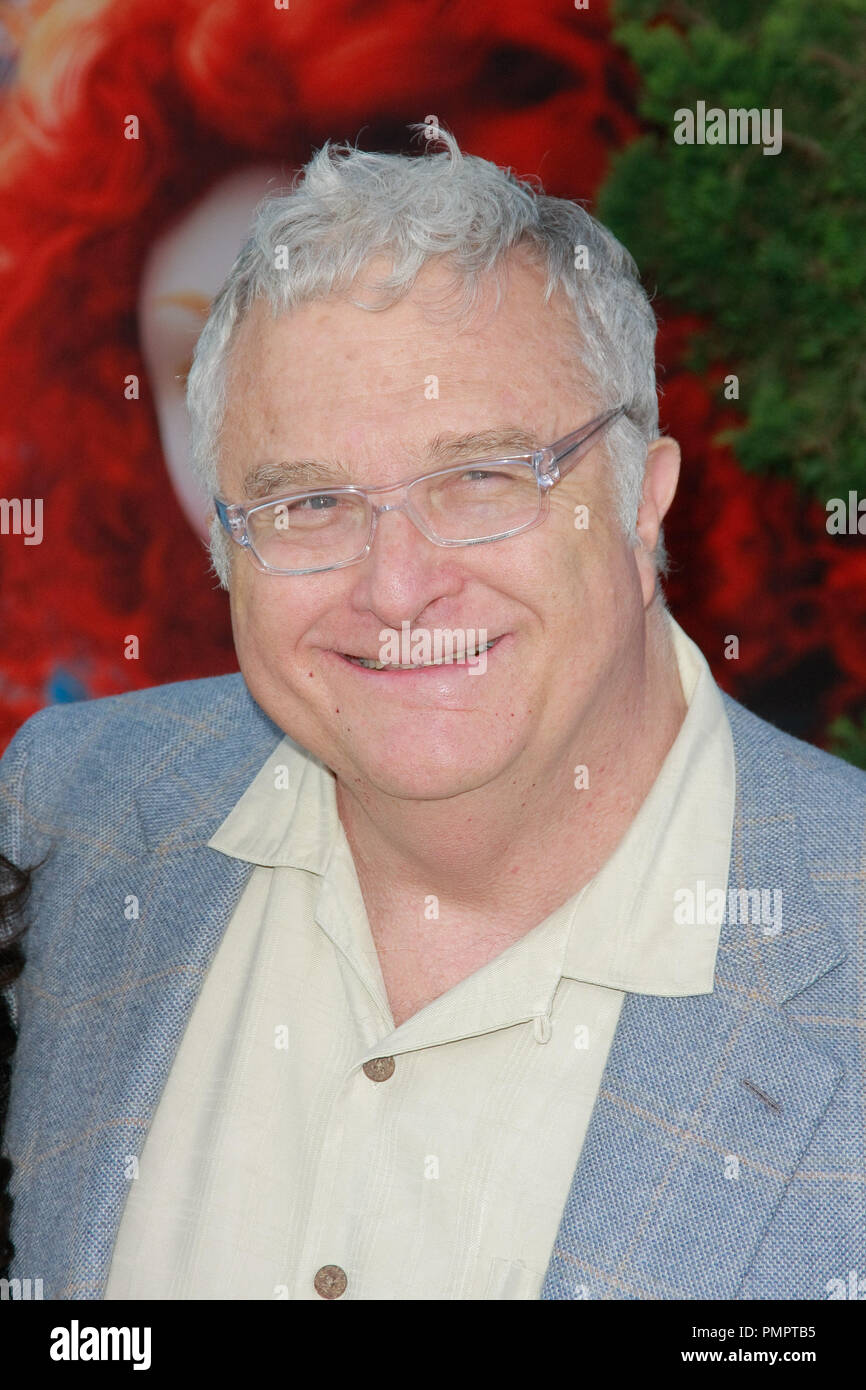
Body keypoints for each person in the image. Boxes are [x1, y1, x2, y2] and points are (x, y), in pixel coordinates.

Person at [1, 132, 863, 1302]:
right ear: (223, 545)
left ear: (643, 501)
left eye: (481, 477)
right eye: (307, 502)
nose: (397, 585)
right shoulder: (67, 816)